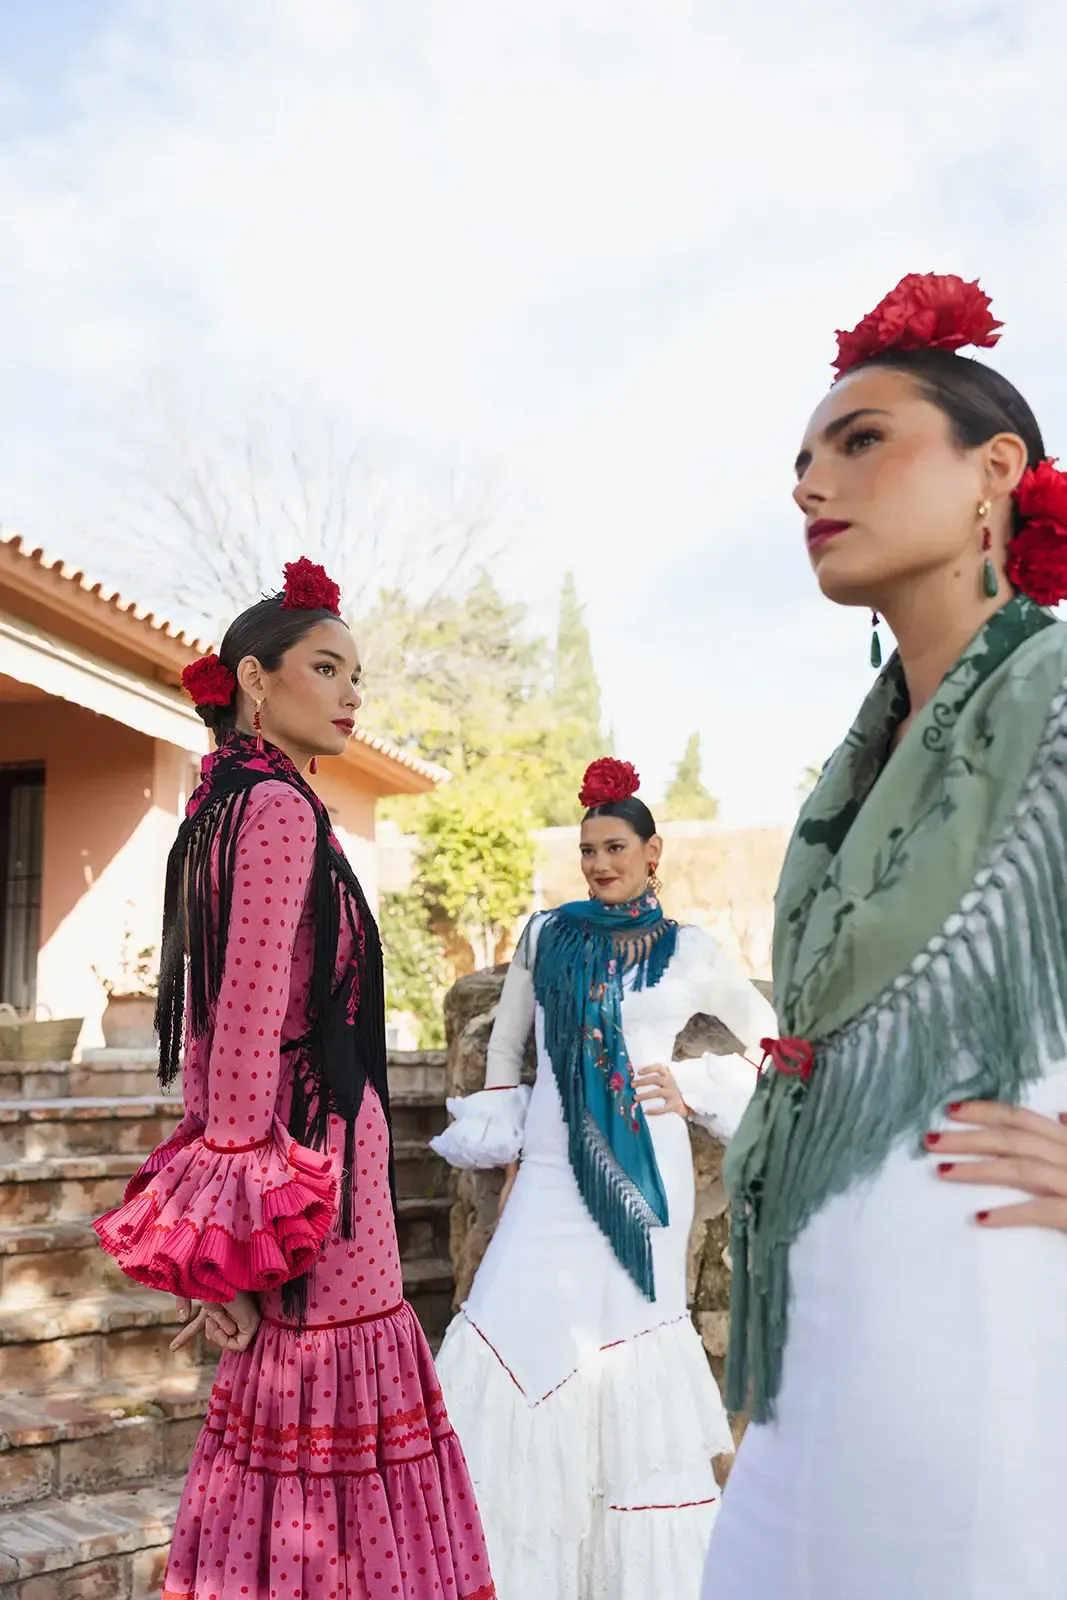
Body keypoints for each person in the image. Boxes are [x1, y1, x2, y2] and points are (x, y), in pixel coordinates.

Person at [702, 274, 1067, 1600]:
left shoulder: (1053, 701)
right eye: (799, 459)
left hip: (983, 1346)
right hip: (816, 1354)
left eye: (858, 440)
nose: (809, 482)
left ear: (993, 472)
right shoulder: (852, 772)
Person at [94, 558, 495, 1600]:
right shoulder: (275, 809)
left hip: (283, 1161)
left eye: (356, 671)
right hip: (316, 1156)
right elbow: (244, 1022)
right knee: (332, 1409)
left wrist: (225, 1241)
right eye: (327, 666)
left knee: (288, 1409)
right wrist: (234, 1240)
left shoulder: (217, 805)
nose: (352, 692)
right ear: (256, 682)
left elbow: (210, 1029)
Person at [430, 757, 777, 1600]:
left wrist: (693, 1087)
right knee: (501, 1339)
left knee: (627, 1368)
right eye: (586, 849)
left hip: (646, 1182)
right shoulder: (546, 935)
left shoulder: (690, 951)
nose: (597, 863)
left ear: (652, 852)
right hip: (548, 1173)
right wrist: (508, 1146)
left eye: (614, 847)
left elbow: (769, 1037)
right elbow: (507, 1047)